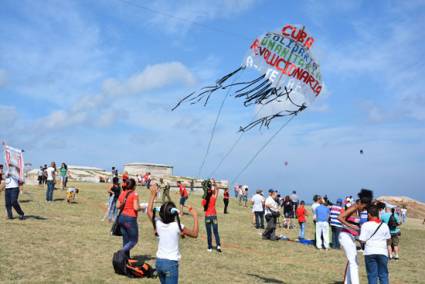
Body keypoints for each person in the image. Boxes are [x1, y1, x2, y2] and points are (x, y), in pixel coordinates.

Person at [147, 183, 198, 284]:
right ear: (174, 213)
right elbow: (195, 234)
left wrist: (153, 195)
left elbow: (149, 211)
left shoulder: (157, 223)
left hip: (159, 262)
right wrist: (195, 216)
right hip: (170, 265)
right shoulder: (177, 226)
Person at [338, 189, 373, 284]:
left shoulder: (359, 210)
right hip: (345, 235)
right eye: (364, 207)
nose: (364, 209)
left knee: (352, 261)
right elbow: (340, 217)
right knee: (354, 262)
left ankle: (347, 282)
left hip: (351, 236)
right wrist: (351, 226)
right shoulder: (354, 207)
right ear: (361, 203)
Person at [359, 204, 391, 284]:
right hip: (382, 252)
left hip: (370, 252)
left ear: (369, 214)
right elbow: (388, 239)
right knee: (383, 275)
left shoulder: (365, 225)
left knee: (372, 275)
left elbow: (362, 240)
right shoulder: (384, 225)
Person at [116, 178, 142, 258]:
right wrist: (142, 207)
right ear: (134, 186)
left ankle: (126, 258)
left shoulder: (123, 193)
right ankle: (121, 253)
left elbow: (117, 206)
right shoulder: (134, 194)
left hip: (121, 218)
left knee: (126, 239)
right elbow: (136, 208)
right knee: (134, 240)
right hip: (129, 219)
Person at [201, 183, 222, 252]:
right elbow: (217, 189)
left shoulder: (205, 198)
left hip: (207, 216)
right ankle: (218, 246)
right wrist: (215, 184)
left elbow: (203, 205)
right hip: (214, 216)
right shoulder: (213, 196)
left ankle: (209, 247)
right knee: (216, 232)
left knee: (209, 233)